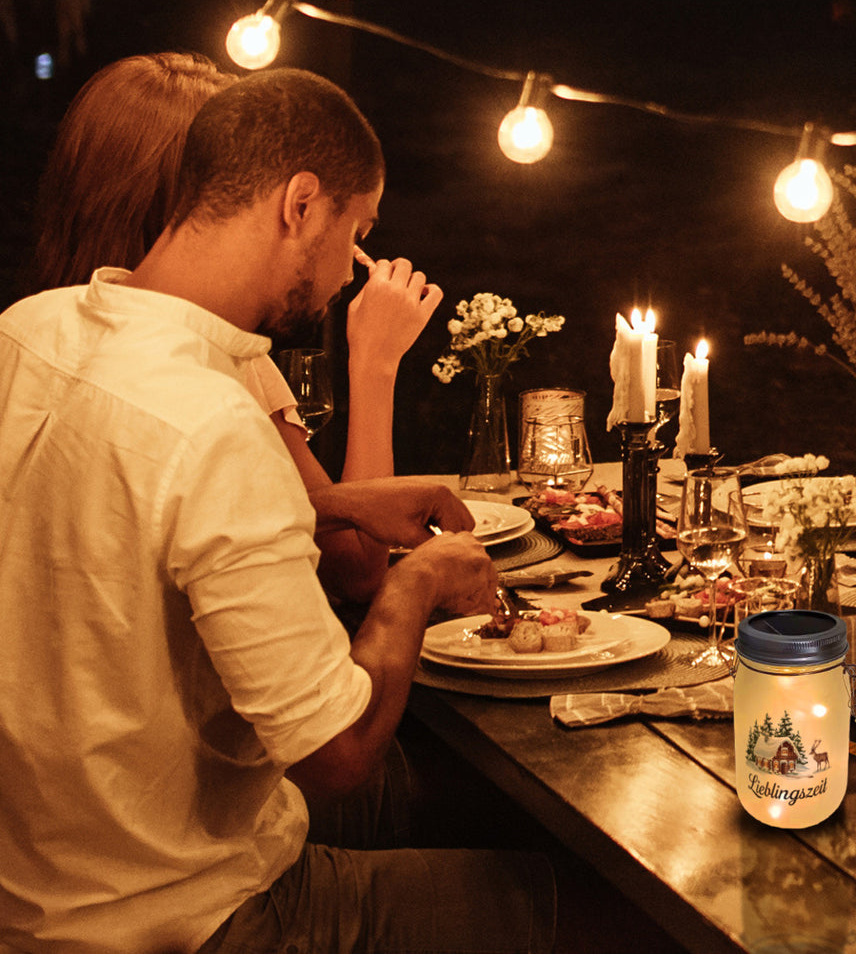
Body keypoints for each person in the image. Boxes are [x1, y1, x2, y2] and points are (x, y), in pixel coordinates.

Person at [0, 68, 554, 953]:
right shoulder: (212, 420)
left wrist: (332, 502)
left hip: (38, 883)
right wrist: (418, 587)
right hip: (186, 916)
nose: (349, 271)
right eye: (356, 233)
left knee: (502, 811)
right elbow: (333, 755)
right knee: (597, 906)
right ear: (300, 204)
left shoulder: (31, 329)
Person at [27, 52, 449, 601]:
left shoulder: (38, 325)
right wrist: (375, 362)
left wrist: (337, 504)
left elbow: (143, 525)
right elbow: (352, 569)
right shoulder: (215, 372)